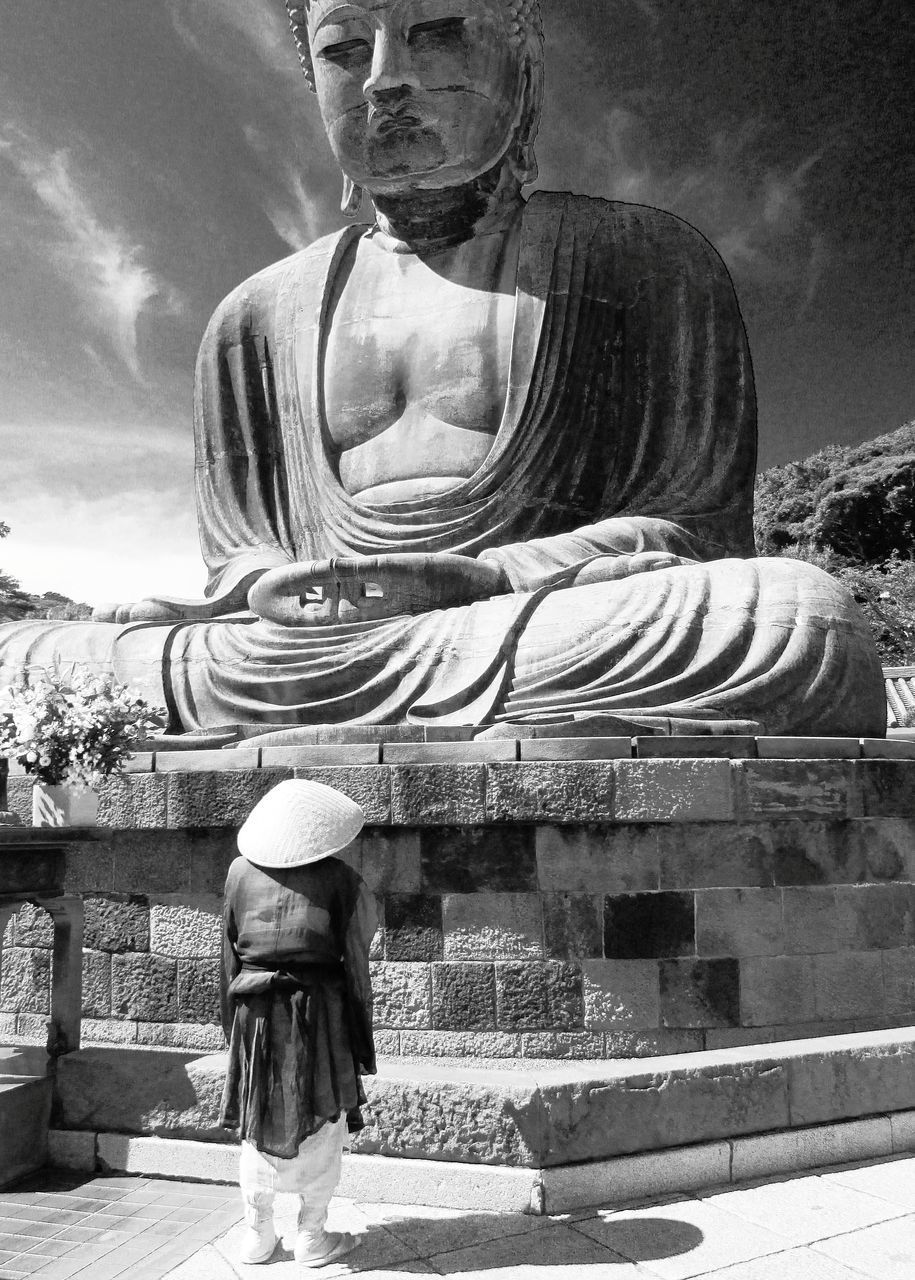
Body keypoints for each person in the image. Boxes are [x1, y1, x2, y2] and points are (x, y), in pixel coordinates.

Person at [0, 0, 886, 740]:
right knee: (28, 662)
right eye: (345, 49)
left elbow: (689, 529)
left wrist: (488, 577)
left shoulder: (642, 257)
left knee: (796, 622)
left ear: (521, 65)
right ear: (316, 86)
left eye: (436, 32)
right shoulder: (255, 314)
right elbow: (243, 552)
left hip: (535, 617)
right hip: (303, 643)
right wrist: (261, 586)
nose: (385, 76)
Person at [219, 778, 377, 1267]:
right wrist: (358, 1028)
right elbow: (356, 954)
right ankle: (311, 1236)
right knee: (324, 1121)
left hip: (255, 1016)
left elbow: (228, 955)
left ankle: (257, 1236)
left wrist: (232, 1031)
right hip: (319, 1013)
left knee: (257, 1117)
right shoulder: (341, 879)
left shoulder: (238, 873)